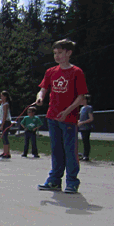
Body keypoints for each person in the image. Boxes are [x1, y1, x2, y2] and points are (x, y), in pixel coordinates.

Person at [36, 39, 88, 194]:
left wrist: (66, 112)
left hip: (69, 118)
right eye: (55, 53)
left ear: (68, 53)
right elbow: (43, 89)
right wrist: (40, 98)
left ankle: (72, 182)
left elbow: (81, 97)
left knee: (70, 150)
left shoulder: (77, 72)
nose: (56, 56)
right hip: (52, 116)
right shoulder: (51, 72)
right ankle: (54, 181)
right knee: (56, 150)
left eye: (59, 53)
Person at [78, 94, 94, 161]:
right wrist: (78, 121)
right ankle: (84, 155)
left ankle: (86, 156)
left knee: (86, 141)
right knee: (84, 141)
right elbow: (81, 118)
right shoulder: (82, 108)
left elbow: (91, 119)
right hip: (81, 127)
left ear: (86, 100)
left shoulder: (89, 108)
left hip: (86, 127)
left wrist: (82, 122)